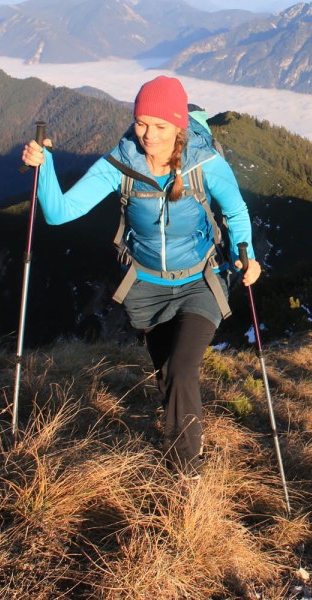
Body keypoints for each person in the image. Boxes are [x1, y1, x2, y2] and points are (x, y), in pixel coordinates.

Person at [20, 75, 261, 472]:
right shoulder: (119, 164)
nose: (148, 134)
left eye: (160, 126)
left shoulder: (206, 164)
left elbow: (235, 211)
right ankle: (179, 446)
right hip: (146, 287)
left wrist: (245, 254)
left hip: (200, 281)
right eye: (141, 123)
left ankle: (187, 475)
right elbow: (59, 212)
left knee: (182, 369)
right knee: (168, 374)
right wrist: (44, 168)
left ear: (180, 127)